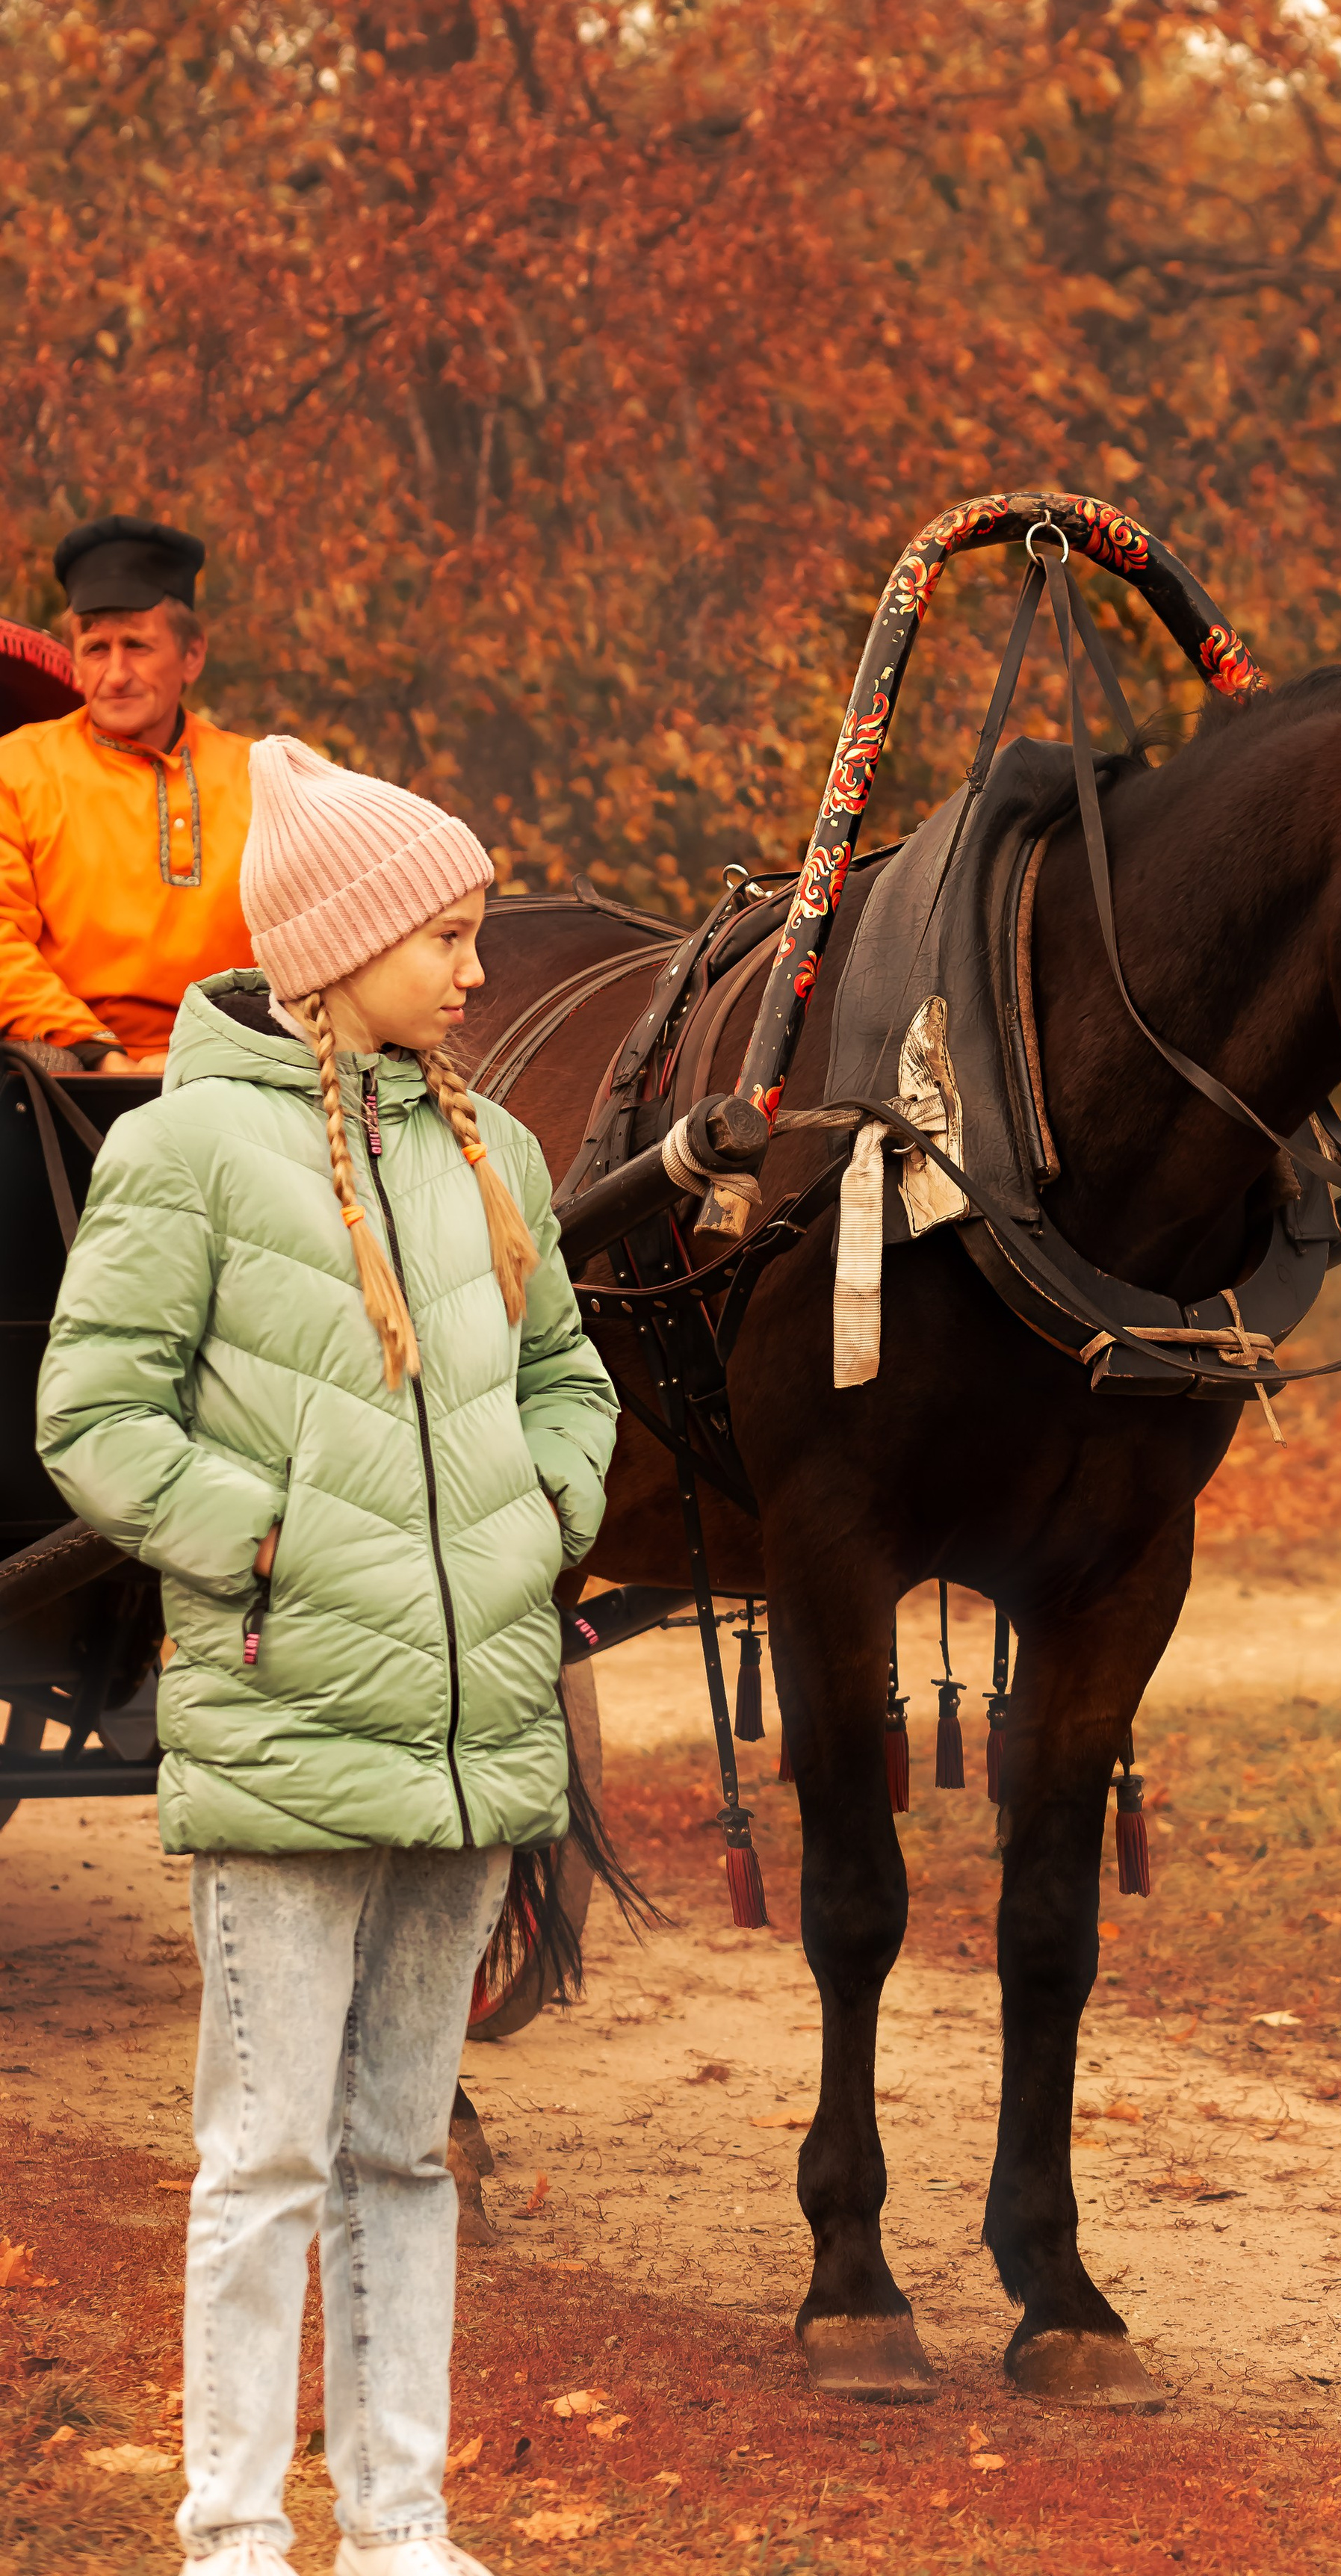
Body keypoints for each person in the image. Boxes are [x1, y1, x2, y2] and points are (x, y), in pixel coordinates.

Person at [37, 736, 620, 2576]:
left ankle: (400, 2525)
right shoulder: (187, 1148)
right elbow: (95, 1408)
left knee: (398, 2154)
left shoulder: (494, 1145)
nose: (471, 966)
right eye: (442, 933)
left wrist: (536, 1522)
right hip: (290, 1726)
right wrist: (265, 1540)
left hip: (467, 1737)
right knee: (265, 2156)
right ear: (336, 943)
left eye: (469, 931)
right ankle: (227, 2531)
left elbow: (566, 1380)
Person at [0, 515, 253, 1068]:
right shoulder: (16, 767)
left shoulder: (262, 776)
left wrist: (208, 1059)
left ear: (192, 656)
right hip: (66, 1064)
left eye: (137, 646)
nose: (115, 674)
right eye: (96, 649)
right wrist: (100, 1055)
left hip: (237, 1063)